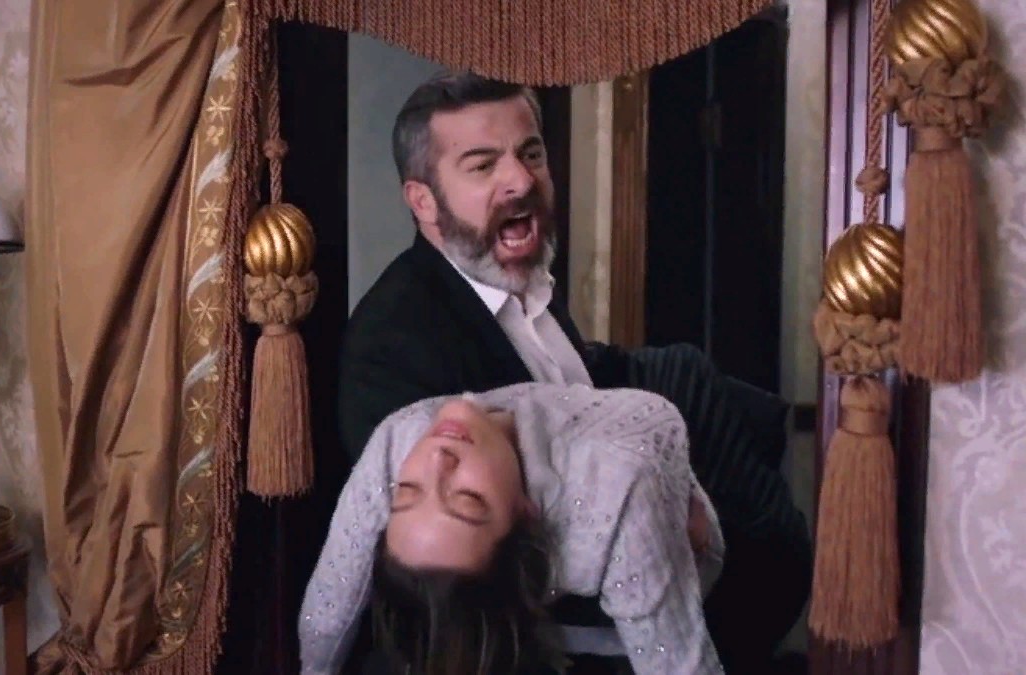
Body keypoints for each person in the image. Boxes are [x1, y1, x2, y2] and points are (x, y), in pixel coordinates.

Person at [337, 71, 811, 672]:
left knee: (712, 410)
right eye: (483, 165)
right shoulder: (390, 345)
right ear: (423, 201)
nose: (521, 180)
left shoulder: (514, 273)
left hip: (670, 527)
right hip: (555, 633)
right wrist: (663, 528)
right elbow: (442, 565)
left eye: (531, 153)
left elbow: (573, 390)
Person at [301, 383, 726, 675]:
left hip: (682, 434)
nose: (437, 458)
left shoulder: (402, 440)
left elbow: (330, 604)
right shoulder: (614, 488)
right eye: (467, 499)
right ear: (525, 513)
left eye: (407, 491)